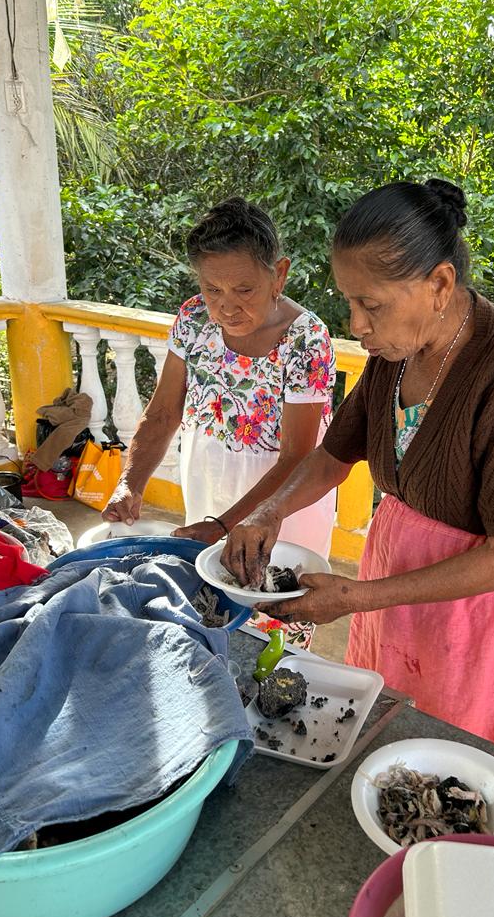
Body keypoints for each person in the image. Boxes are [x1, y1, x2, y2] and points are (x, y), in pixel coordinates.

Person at [222, 179, 494, 772]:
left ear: (440, 285)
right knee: (401, 751)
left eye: (370, 305)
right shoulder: (395, 357)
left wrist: (354, 597)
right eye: (349, 302)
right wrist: (269, 512)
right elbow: (331, 457)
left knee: (475, 779)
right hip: (406, 594)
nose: (355, 324)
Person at [103, 197, 336, 646]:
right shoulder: (192, 319)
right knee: (213, 606)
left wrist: (226, 525)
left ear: (279, 274)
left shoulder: (306, 338)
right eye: (213, 289)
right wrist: (131, 483)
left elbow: (297, 456)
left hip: (282, 495)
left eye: (244, 290)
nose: (226, 306)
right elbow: (164, 411)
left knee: (274, 612)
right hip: (210, 479)